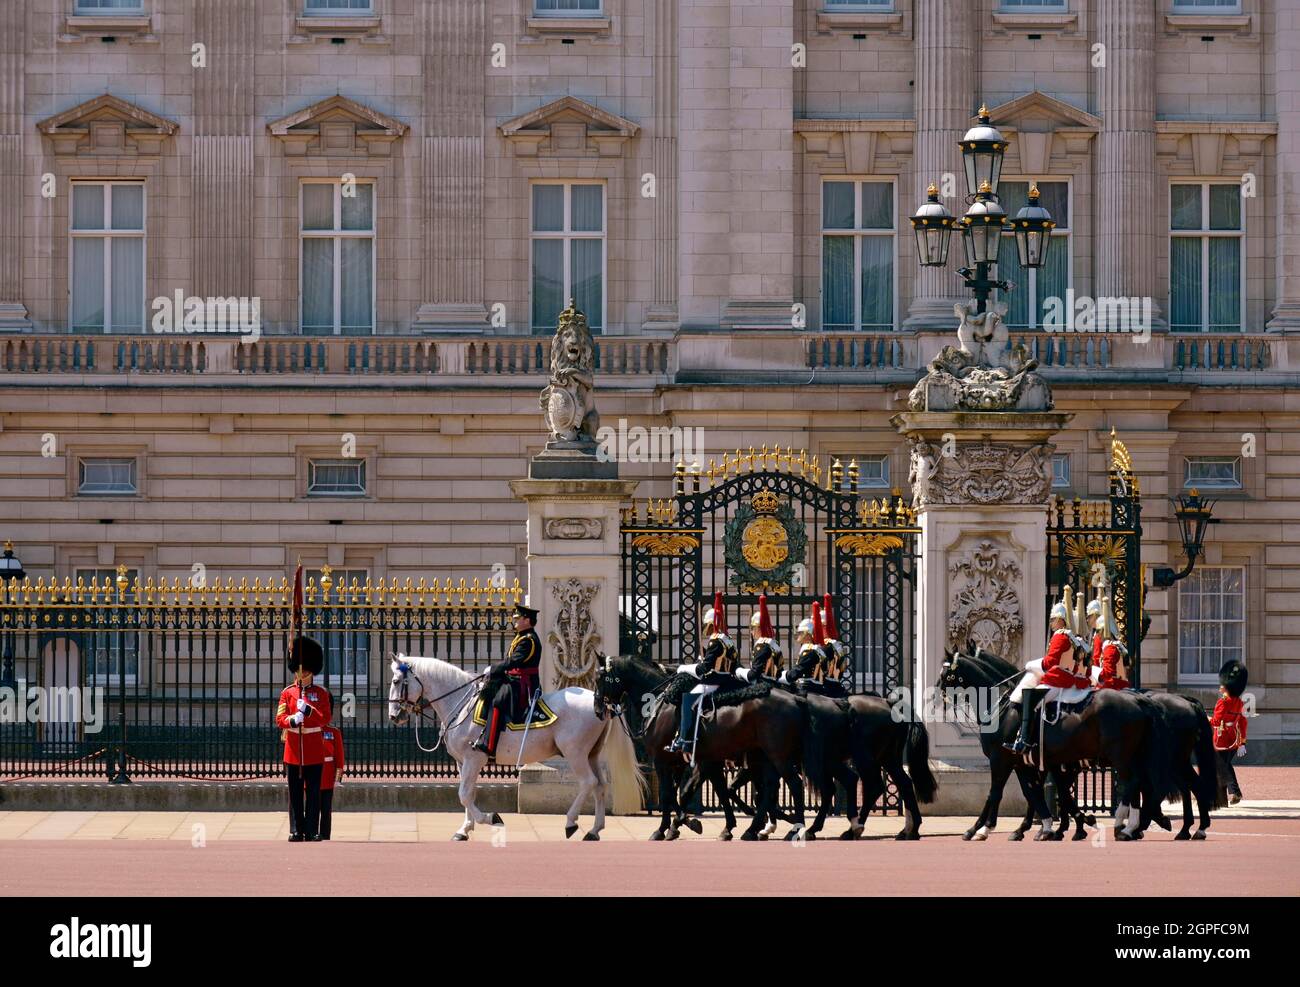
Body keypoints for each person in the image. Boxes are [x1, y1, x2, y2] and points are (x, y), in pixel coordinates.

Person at [275, 636, 332, 842]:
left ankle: (312, 830)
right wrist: (292, 720)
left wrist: (308, 710)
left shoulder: (321, 693)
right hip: (293, 750)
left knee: (314, 794)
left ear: (311, 670)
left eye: (305, 669)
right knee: (296, 794)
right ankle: (296, 829)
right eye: (300, 669)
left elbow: (325, 718)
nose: (302, 673)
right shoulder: (287, 693)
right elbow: (279, 718)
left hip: (314, 750)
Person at [667, 592, 738, 754]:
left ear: (712, 624)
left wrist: (683, 668)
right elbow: (730, 664)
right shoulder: (728, 640)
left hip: (713, 682)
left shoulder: (715, 640)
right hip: (729, 681)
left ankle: (685, 739)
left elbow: (703, 670)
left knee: (687, 700)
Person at [1006, 600, 1078, 755]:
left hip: (1057, 680)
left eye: (1052, 619)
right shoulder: (1071, 637)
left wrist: (1031, 664)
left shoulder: (1060, 637)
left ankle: (1024, 741)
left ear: (1060, 619)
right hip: (1066, 679)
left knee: (1030, 697)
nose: (1051, 623)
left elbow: (1050, 662)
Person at [471, 603, 542, 760]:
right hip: (515, 679)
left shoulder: (529, 640)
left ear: (527, 620)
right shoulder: (522, 637)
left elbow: (514, 661)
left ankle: (489, 745)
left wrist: (493, 668)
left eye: (518, 618)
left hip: (524, 684)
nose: (514, 620)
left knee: (498, 701)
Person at [1211, 659, 1249, 805]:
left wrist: (1204, 718)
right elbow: (1243, 722)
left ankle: (1232, 793)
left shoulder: (1223, 702)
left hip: (1220, 740)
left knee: (1221, 766)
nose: (1220, 686)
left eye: (1222, 684)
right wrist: (1242, 742)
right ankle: (1224, 798)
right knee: (1224, 766)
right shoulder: (1239, 702)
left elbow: (1215, 721)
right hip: (1233, 740)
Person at [737, 593, 783, 683]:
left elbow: (754, 675)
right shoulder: (774, 643)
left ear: (759, 628)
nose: (751, 632)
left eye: (753, 628)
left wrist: (739, 671)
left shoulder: (761, 645)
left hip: (762, 683)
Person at [782, 603, 827, 688]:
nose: (798, 635)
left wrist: (782, 676)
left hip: (808, 687)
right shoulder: (817, 649)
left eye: (800, 633)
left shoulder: (809, 650)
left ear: (807, 634)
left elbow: (798, 671)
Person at [1096, 595, 1130, 691]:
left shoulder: (1110, 647)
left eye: (1098, 631)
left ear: (1103, 631)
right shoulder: (1117, 645)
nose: (1098, 635)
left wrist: (1094, 674)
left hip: (1114, 686)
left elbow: (1108, 672)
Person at [319, 722, 344, 840]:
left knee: (326, 810)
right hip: (311, 776)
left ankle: (324, 835)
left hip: (327, 776)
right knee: (310, 810)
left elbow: (339, 757)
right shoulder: (308, 730)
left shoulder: (334, 732)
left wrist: (337, 778)